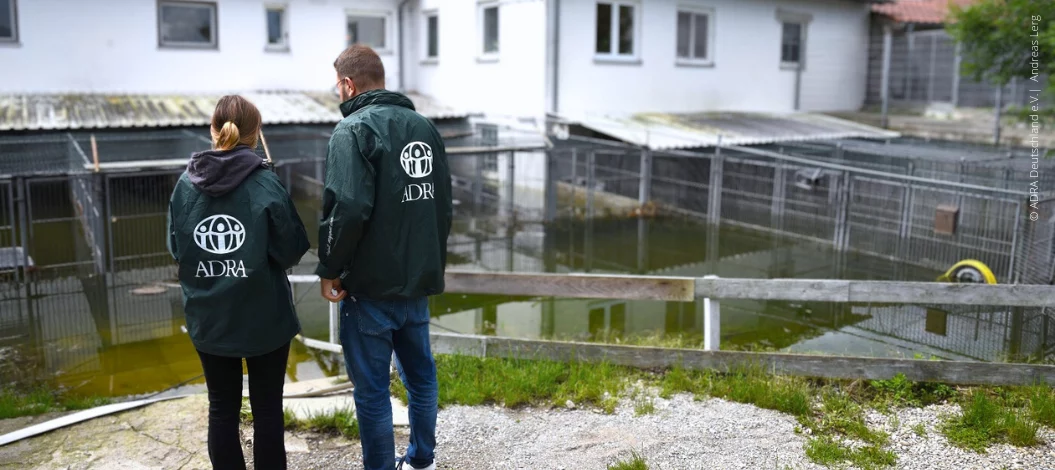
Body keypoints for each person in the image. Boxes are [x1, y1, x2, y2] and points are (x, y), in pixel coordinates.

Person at [316, 44, 452, 470]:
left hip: (370, 288)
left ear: (347, 84)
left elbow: (348, 207)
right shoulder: (425, 128)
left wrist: (330, 268)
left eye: (338, 86)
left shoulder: (352, 131)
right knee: (421, 376)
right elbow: (442, 207)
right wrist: (429, 262)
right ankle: (421, 460)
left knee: (373, 390)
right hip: (416, 282)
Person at [167, 95, 310, 470]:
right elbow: (291, 249)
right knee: (267, 411)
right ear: (255, 133)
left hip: (210, 318)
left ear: (212, 130)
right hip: (265, 318)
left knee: (222, 410)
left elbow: (176, 248)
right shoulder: (265, 183)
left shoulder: (185, 185)